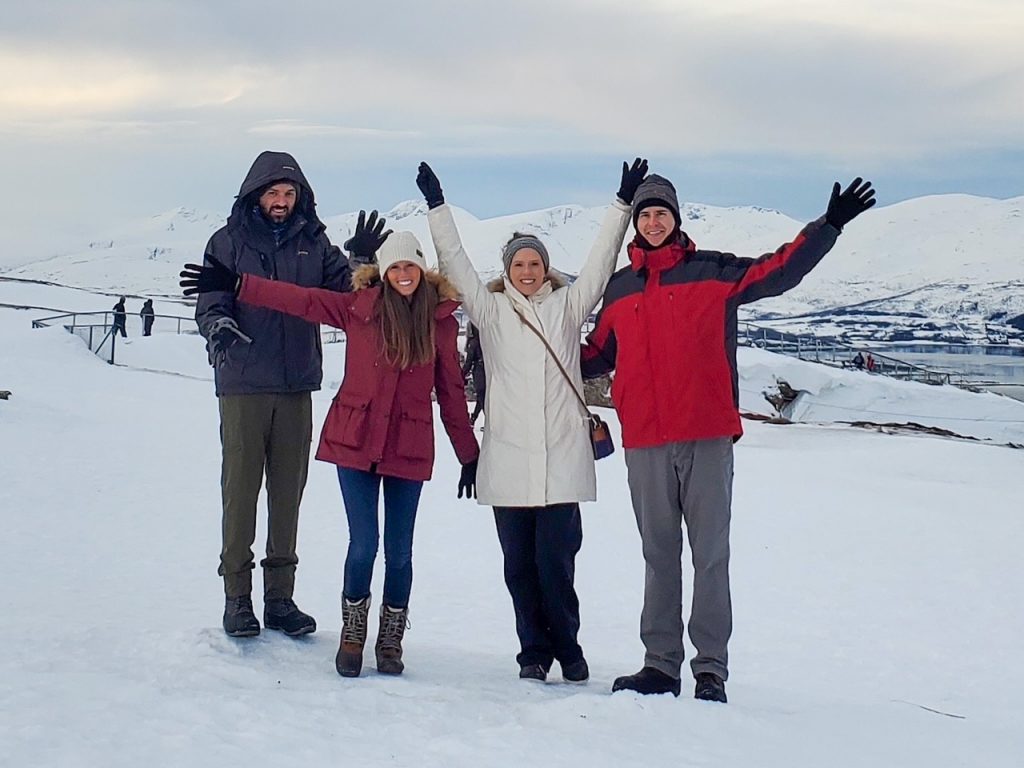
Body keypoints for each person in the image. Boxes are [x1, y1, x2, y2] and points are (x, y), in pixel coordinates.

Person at [582, 174, 876, 702]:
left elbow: (778, 271)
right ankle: (660, 664)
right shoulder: (620, 288)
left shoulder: (712, 271)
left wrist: (827, 227)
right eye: (645, 215)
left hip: (706, 434)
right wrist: (522, 347)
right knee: (658, 553)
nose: (653, 222)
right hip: (645, 440)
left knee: (710, 554)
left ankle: (710, 668)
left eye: (661, 214)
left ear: (676, 220)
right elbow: (596, 355)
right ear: (636, 223)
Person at [182, 229, 480, 677]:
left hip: (409, 446)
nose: (403, 275)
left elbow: (452, 393)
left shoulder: (440, 323)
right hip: (354, 441)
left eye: (411, 267)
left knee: (399, 553)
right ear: (382, 272)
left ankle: (390, 640)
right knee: (364, 545)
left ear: (422, 271)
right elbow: (298, 299)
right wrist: (238, 284)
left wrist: (469, 453)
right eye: (395, 267)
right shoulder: (357, 309)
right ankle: (353, 634)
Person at [417, 158, 647, 684]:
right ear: (507, 270)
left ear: (545, 270)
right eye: (519, 264)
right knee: (519, 570)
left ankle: (568, 649)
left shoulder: (568, 305)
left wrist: (620, 204)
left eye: (534, 265)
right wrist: (437, 208)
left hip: (562, 459)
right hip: (508, 462)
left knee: (555, 567)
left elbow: (598, 262)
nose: (527, 272)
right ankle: (532, 654)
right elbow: (454, 264)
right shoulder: (491, 312)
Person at [189, 151, 356, 640]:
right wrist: (218, 326)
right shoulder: (227, 242)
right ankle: (236, 599)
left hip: (297, 382)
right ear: (255, 195)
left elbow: (350, 295)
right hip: (243, 382)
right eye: (273, 193)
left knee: (288, 494)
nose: (281, 202)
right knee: (240, 492)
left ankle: (280, 599)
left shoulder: (315, 243)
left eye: (289, 194)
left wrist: (364, 260)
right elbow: (210, 300)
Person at [461, 323, 486, 425]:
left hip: (479, 373)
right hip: (488, 371)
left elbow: (468, 362)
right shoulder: (486, 340)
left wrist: (461, 375)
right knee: (483, 398)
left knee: (482, 397)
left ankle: (489, 422)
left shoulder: (474, 342)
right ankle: (474, 418)